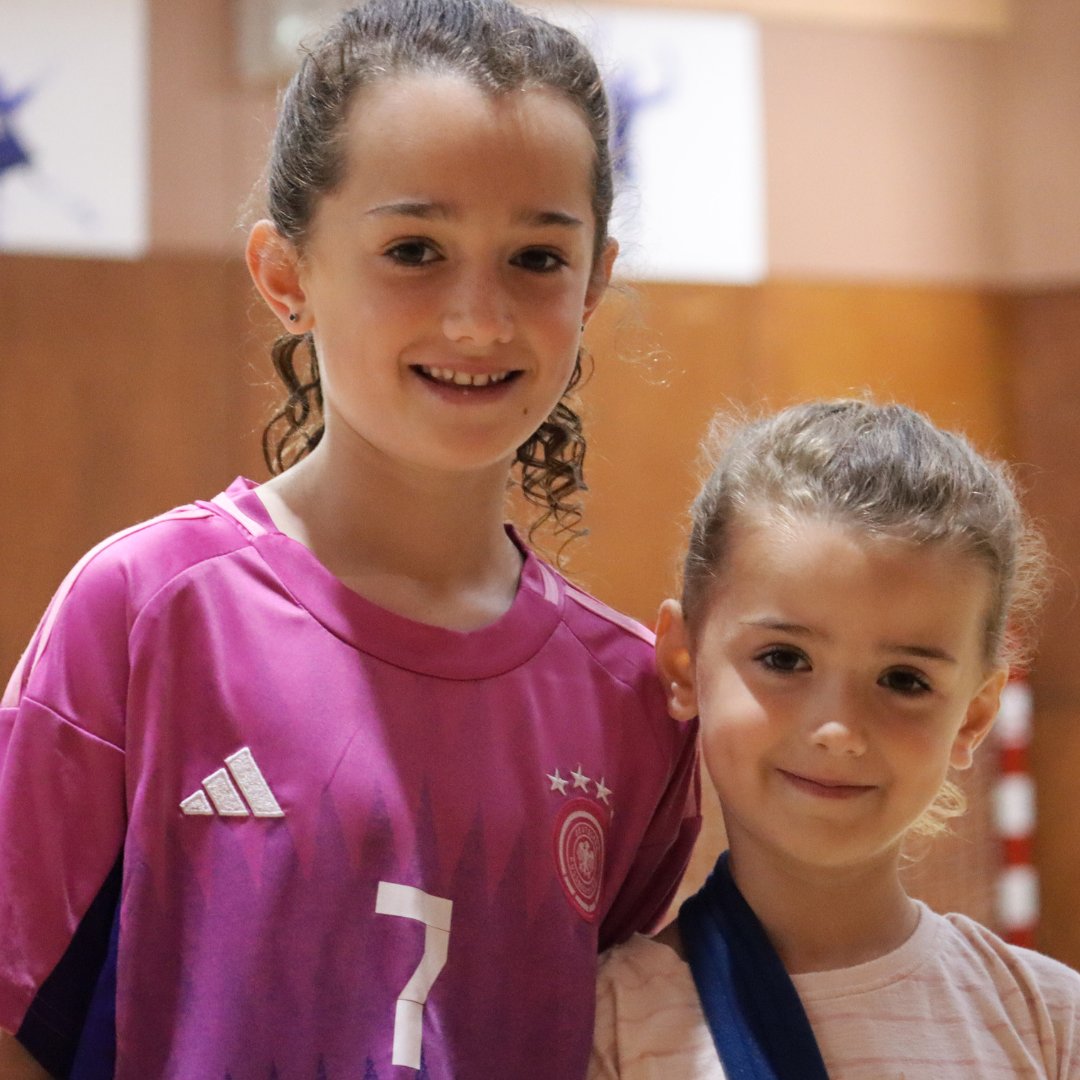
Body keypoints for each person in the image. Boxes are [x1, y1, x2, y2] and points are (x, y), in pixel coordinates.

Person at [0, 1, 701, 1075]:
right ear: (287, 276)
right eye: (414, 249)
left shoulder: (632, 705)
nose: (479, 319)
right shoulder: (143, 613)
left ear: (595, 280)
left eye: (536, 259)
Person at [591, 399, 1080, 1079]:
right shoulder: (611, 1025)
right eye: (785, 660)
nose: (840, 731)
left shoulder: (1048, 1021)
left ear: (972, 716)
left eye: (904, 680)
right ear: (684, 664)